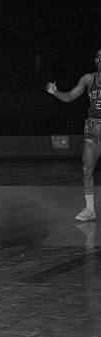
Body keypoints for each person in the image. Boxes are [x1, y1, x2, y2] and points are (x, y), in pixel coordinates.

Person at [46, 49, 101, 221]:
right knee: (86, 169)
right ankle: (90, 209)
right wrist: (55, 92)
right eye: (99, 56)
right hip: (93, 127)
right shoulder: (88, 79)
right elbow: (70, 96)